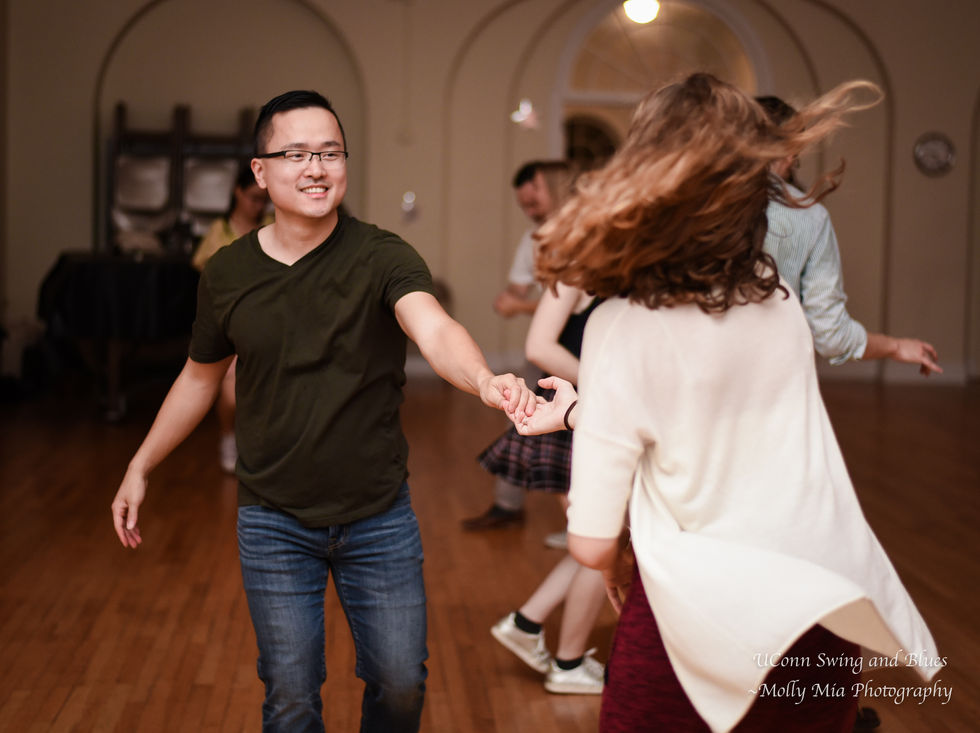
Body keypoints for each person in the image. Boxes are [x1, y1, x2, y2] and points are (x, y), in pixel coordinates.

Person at [516, 74, 942, 732]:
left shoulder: (621, 326)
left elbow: (592, 544)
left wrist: (604, 499)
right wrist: (584, 413)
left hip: (694, 630)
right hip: (818, 621)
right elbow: (712, 428)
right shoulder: (781, 307)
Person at [110, 89, 534, 733]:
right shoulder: (227, 272)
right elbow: (199, 378)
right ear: (260, 171)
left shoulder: (382, 256)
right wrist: (140, 465)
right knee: (290, 697)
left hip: (378, 513)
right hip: (272, 518)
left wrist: (484, 379)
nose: (316, 167)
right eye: (297, 154)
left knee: (400, 684)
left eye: (330, 153)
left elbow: (434, 328)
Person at [756, 95, 942, 376]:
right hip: (773, 381)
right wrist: (894, 346)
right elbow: (831, 337)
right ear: (791, 153)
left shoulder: (694, 202)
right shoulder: (810, 216)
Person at [485, 283, 607, 694]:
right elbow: (539, 346)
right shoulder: (576, 270)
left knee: (601, 544)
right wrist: (610, 386)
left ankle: (527, 624)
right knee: (603, 546)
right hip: (572, 417)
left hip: (590, 417)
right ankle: (567, 662)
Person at [463, 160, 571, 533]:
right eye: (524, 204)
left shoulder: (583, 236)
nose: (529, 207)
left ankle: (586, 528)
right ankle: (509, 505)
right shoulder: (533, 240)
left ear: (555, 187)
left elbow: (567, 304)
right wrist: (511, 300)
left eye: (535, 197)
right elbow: (522, 291)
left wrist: (521, 307)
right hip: (549, 348)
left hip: (577, 348)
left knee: (568, 434)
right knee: (525, 418)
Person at [190, 165, 271, 472]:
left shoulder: (272, 225)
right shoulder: (220, 231)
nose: (258, 206)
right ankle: (228, 437)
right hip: (232, 321)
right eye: (253, 198)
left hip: (270, 318)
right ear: (238, 192)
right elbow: (206, 278)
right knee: (231, 388)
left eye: (263, 200)